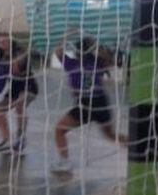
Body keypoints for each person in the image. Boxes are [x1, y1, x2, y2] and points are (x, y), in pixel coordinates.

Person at [51, 35, 127, 173]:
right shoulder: (91, 61)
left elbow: (57, 51)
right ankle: (137, 145)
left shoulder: (86, 62)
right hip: (97, 102)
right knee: (110, 135)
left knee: (59, 130)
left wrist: (67, 36)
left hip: (89, 104)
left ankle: (65, 162)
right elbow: (58, 52)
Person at [0, 40, 39, 153]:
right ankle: (6, 138)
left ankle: (21, 138)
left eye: (3, 42)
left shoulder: (19, 53)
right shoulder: (2, 55)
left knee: (20, 107)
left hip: (28, 86)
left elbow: (16, 70)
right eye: (0, 42)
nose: (1, 44)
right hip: (15, 87)